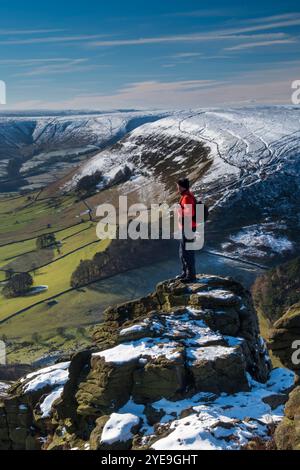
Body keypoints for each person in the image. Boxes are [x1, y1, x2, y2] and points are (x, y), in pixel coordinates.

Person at [176, 178, 197, 282]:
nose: (177, 189)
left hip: (188, 228)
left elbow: (190, 213)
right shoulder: (187, 196)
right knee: (183, 251)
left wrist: (179, 210)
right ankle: (185, 273)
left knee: (187, 252)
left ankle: (190, 276)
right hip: (187, 227)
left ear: (182, 187)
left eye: (178, 186)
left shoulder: (187, 198)